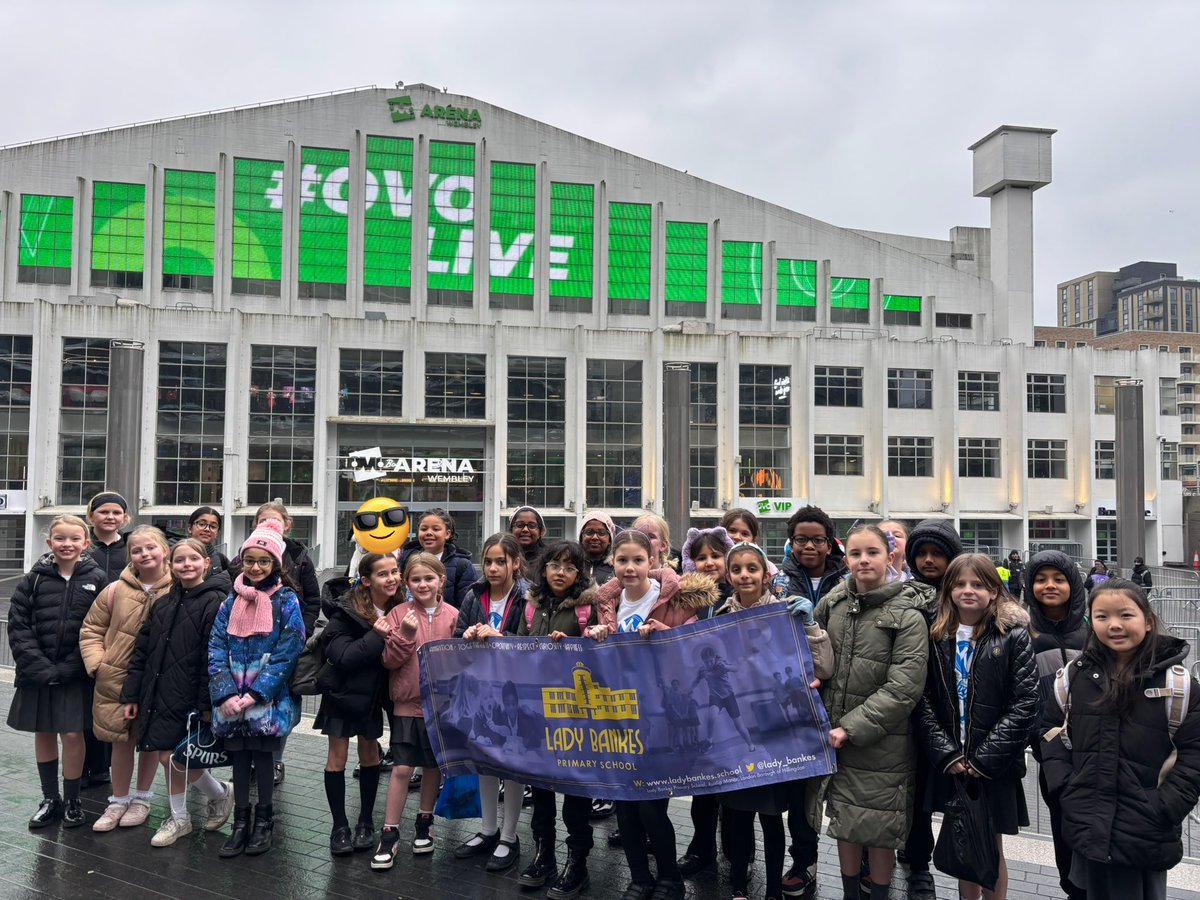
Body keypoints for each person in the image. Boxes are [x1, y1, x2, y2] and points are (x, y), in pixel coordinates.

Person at [1041, 579, 1200, 900]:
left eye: (1126, 615)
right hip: (1088, 823)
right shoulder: (1074, 678)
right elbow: (1049, 731)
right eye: (1101, 616)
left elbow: (1194, 753)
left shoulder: (1179, 685)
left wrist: (1165, 806)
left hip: (1147, 830)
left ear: (1148, 620)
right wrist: (1067, 789)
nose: (1114, 625)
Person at [588, 528, 721, 900]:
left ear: (653, 561)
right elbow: (596, 659)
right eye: (622, 560)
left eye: (637, 560)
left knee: (651, 806)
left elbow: (697, 651)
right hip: (619, 717)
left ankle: (669, 879)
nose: (630, 568)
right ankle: (639, 878)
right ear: (612, 563)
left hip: (662, 718)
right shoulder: (606, 602)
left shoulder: (677, 600)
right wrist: (596, 635)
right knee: (627, 808)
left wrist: (667, 634)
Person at [712, 541, 834, 900]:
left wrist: (811, 626)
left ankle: (773, 892)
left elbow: (825, 667)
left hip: (778, 732)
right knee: (737, 816)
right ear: (728, 575)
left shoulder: (786, 613)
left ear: (766, 574)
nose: (744, 575)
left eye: (752, 568)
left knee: (771, 815)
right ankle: (737, 884)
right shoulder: (718, 617)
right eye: (737, 569)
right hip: (739, 735)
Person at [814, 524, 930, 900]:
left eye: (872, 553)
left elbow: (904, 686)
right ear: (845, 558)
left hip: (882, 743)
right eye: (855, 553)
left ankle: (878, 894)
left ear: (890, 556)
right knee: (845, 822)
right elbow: (812, 652)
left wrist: (851, 727)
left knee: (880, 828)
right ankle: (851, 893)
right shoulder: (834, 601)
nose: (863, 560)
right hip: (835, 735)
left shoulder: (907, 612)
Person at [915, 554, 1038, 900]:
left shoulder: (1013, 635)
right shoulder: (937, 635)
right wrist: (947, 752)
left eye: (978, 584)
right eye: (959, 584)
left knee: (991, 845)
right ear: (948, 589)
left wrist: (984, 759)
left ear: (994, 590)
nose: (968, 591)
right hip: (953, 760)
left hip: (992, 764)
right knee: (961, 840)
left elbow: (1026, 702)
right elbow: (922, 700)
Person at [120, 538, 233, 846]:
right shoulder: (163, 604)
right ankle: (190, 810)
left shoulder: (217, 601)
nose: (186, 564)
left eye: (193, 559)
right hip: (159, 692)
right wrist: (132, 695)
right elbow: (141, 652)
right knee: (166, 756)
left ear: (206, 563)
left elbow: (214, 656)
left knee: (175, 757)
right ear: (170, 565)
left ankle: (207, 800)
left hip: (192, 695)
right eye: (179, 559)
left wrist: (207, 703)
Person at [208, 518, 305, 858]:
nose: (256, 567)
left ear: (276, 564)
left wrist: (256, 692)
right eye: (250, 560)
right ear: (241, 561)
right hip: (232, 695)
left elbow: (289, 648)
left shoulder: (286, 599)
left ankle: (264, 820)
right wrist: (225, 693)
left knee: (264, 757)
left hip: (267, 696)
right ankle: (240, 822)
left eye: (264, 561)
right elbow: (217, 644)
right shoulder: (230, 600)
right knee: (238, 756)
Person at [7, 515, 106, 829]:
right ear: (49, 542)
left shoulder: (98, 578)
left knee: (73, 734)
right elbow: (18, 625)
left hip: (75, 674)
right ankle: (50, 798)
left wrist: (72, 666)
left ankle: (73, 799)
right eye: (60, 539)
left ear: (85, 543)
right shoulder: (33, 579)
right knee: (44, 732)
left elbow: (102, 628)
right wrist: (39, 666)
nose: (67, 544)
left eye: (74, 539)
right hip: (37, 673)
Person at [515, 540, 598, 900]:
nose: (560, 572)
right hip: (537, 712)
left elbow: (598, 656)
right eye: (554, 565)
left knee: (575, 790)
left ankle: (577, 862)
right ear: (543, 568)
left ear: (579, 574)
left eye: (569, 567)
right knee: (541, 788)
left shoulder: (587, 609)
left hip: (575, 717)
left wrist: (574, 646)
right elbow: (516, 647)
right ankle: (544, 854)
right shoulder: (531, 607)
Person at [78, 526, 174, 833]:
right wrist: (98, 664)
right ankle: (118, 799)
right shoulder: (115, 590)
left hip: (158, 680)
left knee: (149, 741)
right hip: (116, 678)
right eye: (137, 550)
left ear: (164, 551)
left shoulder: (178, 588)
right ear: (129, 554)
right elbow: (91, 629)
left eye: (151, 548)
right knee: (121, 740)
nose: (144, 554)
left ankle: (142, 798)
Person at [371, 552, 458, 869]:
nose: (422, 584)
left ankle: (425, 820)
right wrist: (405, 636)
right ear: (406, 582)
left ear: (441, 581)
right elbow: (389, 662)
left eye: (429, 578)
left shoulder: (453, 616)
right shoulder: (398, 614)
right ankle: (390, 831)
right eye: (416, 579)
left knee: (433, 766)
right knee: (403, 769)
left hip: (441, 707)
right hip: (406, 704)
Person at [455, 533, 530, 873]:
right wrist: (467, 636)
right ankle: (488, 830)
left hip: (513, 694)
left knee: (511, 767)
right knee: (483, 761)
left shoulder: (527, 596)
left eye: (501, 561)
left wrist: (503, 639)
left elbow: (533, 642)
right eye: (488, 561)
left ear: (516, 563)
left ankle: (510, 836)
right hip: (480, 691)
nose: (494, 567)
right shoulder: (474, 594)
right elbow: (457, 635)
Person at [318, 552, 399, 856]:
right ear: (366, 580)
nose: (391, 578)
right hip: (342, 692)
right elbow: (344, 657)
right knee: (336, 759)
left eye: (394, 571)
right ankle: (339, 827)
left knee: (370, 755)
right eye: (383, 573)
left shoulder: (401, 607)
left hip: (373, 694)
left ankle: (366, 822)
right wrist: (377, 636)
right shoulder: (346, 611)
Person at [235, 501, 320, 786]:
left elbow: (313, 600)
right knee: (250, 705)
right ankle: (250, 761)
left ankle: (275, 762)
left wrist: (301, 635)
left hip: (284, 642)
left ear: (287, 524)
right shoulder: (246, 555)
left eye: (274, 521)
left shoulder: (300, 557)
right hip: (248, 650)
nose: (269, 525)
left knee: (280, 705)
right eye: (262, 521)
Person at [900, 517, 962, 898]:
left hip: (955, 709)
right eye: (921, 553)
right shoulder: (903, 597)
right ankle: (918, 860)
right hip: (913, 706)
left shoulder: (965, 594)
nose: (928, 561)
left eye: (937, 553)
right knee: (916, 789)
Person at [1025, 550, 1090, 900]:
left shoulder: (1091, 633)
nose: (1049, 585)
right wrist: (1041, 741)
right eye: (1040, 579)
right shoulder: (1025, 633)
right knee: (1061, 826)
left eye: (1058, 579)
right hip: (1052, 754)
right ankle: (1071, 889)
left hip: (1093, 753)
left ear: (1072, 584)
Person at [83, 490, 132, 788]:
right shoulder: (83, 547)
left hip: (124, 637)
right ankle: (86, 766)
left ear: (125, 518)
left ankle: (104, 768)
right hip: (91, 633)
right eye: (104, 512)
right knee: (88, 705)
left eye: (116, 512)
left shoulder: (131, 548)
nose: (111, 517)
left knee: (112, 706)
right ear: (92, 516)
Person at [397, 507, 478, 609]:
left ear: (448, 534)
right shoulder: (405, 560)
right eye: (424, 529)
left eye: (436, 529)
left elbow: (466, 608)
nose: (429, 533)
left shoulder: (462, 566)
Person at [187, 506, 230, 573]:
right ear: (190, 528)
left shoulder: (221, 560)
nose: (207, 529)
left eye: (213, 526)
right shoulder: (175, 555)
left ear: (217, 533)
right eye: (202, 524)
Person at [579, 513, 616, 586]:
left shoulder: (617, 567)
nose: (595, 537)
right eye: (589, 532)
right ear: (581, 537)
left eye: (601, 533)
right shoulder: (572, 564)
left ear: (610, 539)